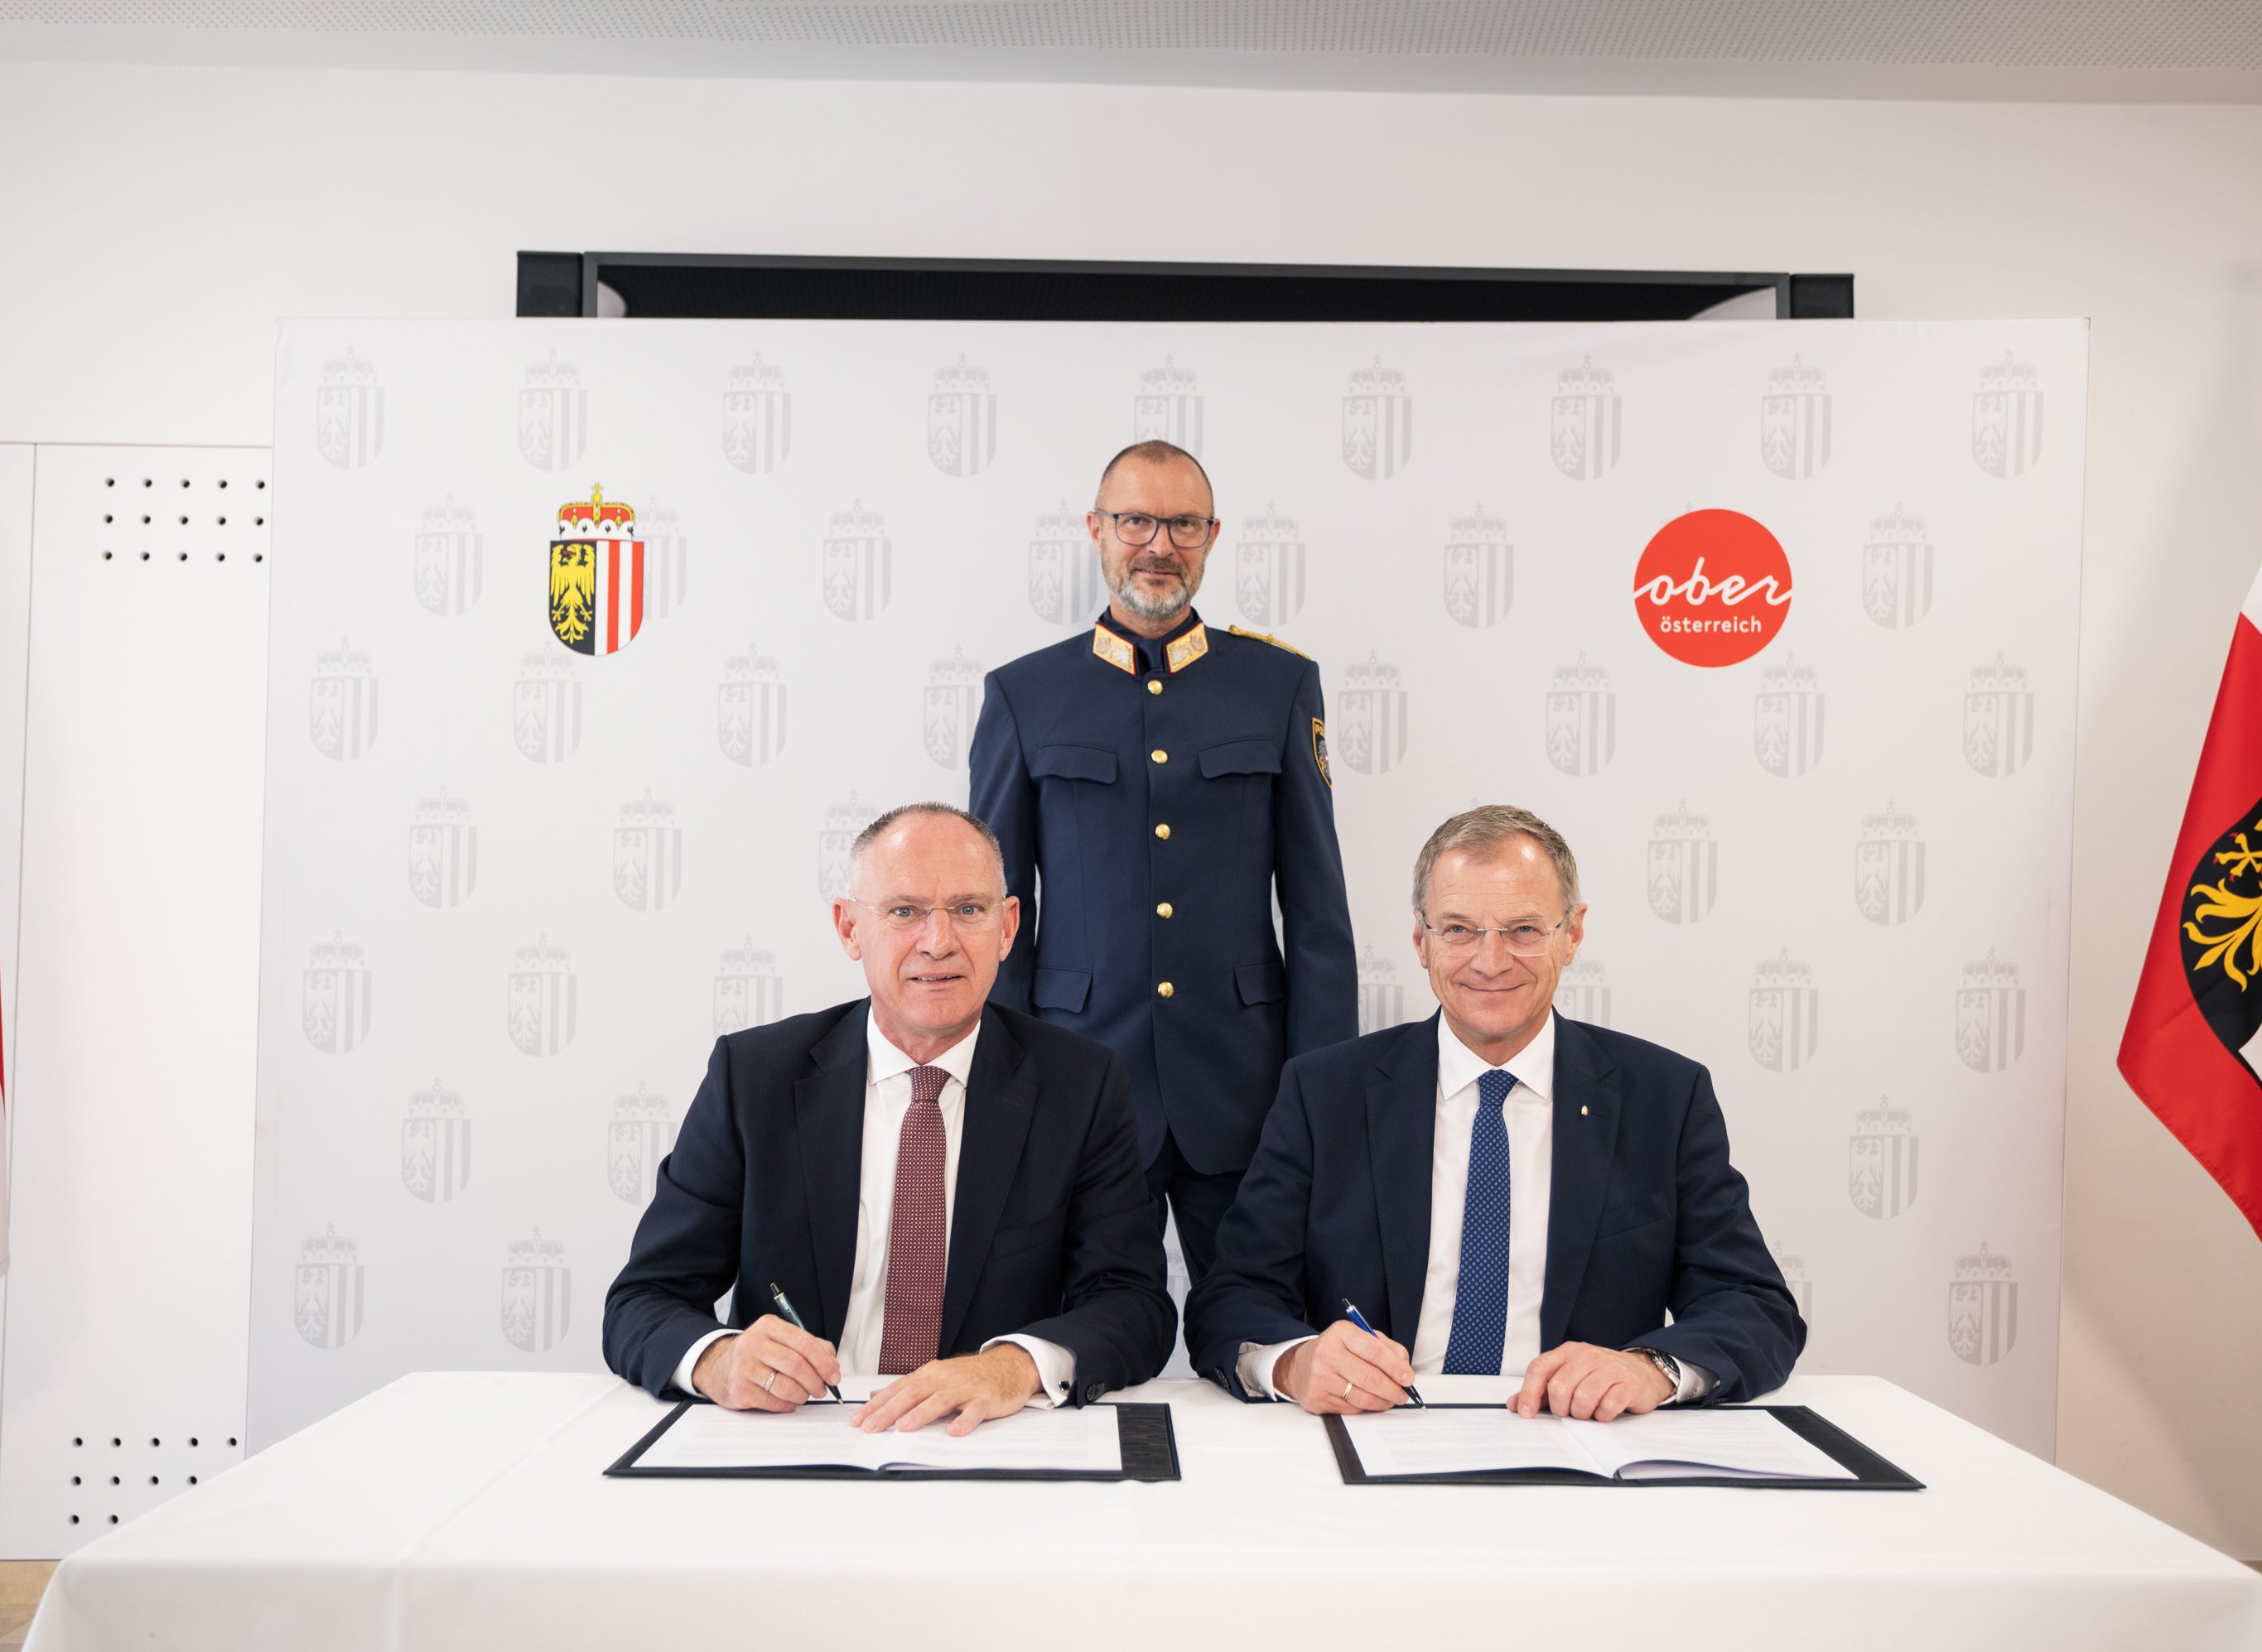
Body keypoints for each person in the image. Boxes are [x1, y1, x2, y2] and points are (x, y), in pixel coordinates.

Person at [1186, 804, 1804, 1419]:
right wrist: (1295, 1363)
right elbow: (1231, 1296)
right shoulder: (1323, 1093)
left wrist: (1649, 1368)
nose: (1490, 960)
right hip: (1379, 1430)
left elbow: (1754, 1306)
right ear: (1420, 940)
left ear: (1572, 934)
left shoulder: (1665, 1097)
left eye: (1523, 930)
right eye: (1458, 929)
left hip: (1580, 1441)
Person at [600, 803, 1174, 1432]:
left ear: (1007, 927)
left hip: (983, 1437)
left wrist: (1012, 1367)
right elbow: (644, 1299)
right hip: (799, 1431)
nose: (939, 941)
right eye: (904, 911)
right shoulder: (754, 1077)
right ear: (849, 928)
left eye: (968, 909)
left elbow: (1134, 1303)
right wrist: (717, 1359)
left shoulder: (1081, 1085)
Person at [970, 440, 1355, 1284]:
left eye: (1182, 524)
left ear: (1212, 535)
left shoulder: (1279, 684)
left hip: (1244, 1083)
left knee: (1265, 1320)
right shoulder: (1024, 695)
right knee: (1085, 1324)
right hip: (1080, 1078)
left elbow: (1318, 911)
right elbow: (991, 914)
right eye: (1135, 521)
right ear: (1096, 529)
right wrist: (1007, 1080)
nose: (1158, 544)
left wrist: (1322, 1089)